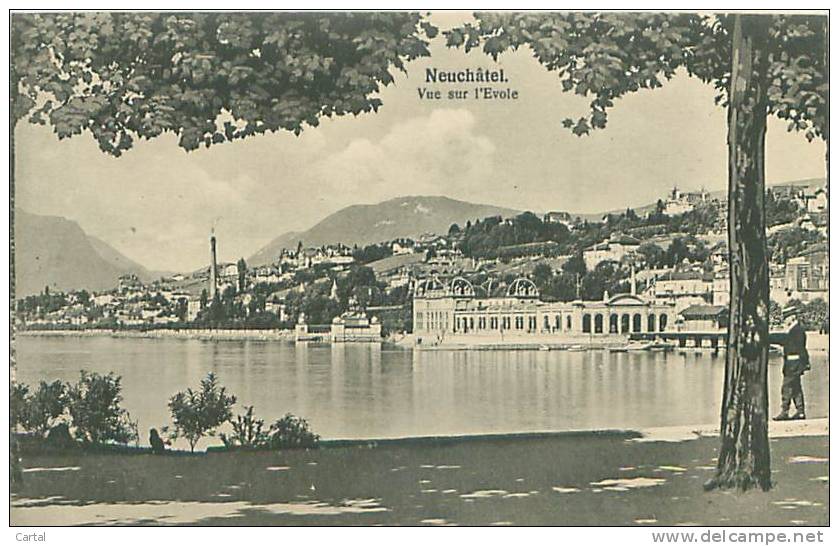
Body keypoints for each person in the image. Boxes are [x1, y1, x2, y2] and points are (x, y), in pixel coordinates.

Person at [773, 305, 810, 421]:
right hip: (794, 363)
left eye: (786, 318)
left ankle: (785, 411)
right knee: (796, 387)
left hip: (793, 363)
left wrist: (767, 337)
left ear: (792, 317)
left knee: (787, 387)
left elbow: (789, 342)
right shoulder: (795, 330)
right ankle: (800, 411)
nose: (784, 320)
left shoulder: (796, 331)